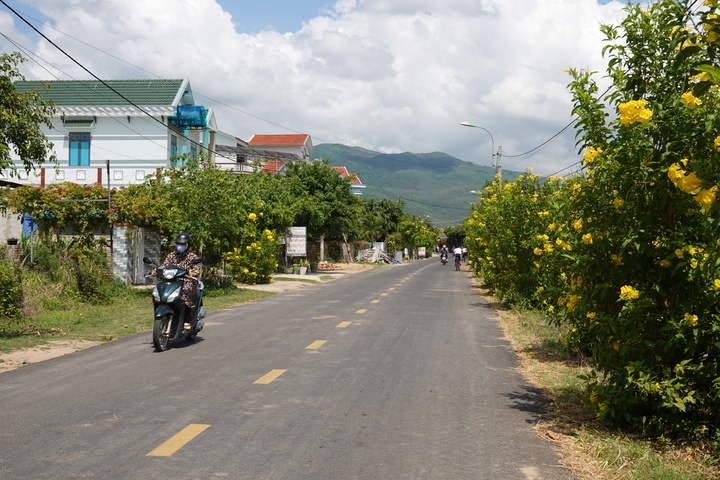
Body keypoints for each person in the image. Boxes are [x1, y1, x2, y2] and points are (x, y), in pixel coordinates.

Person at [159, 232, 201, 330]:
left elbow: (196, 269)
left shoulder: (192, 257)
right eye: (178, 244)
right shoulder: (171, 256)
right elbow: (163, 265)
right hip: (172, 282)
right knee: (160, 292)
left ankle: (187, 319)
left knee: (184, 294)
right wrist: (156, 270)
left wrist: (193, 272)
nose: (180, 246)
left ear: (187, 245)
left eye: (182, 244)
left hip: (187, 282)